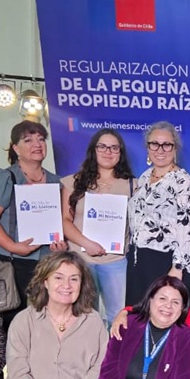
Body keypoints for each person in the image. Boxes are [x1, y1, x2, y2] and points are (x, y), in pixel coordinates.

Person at [0, 121, 67, 327]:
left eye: (41, 139)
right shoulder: (6, 177)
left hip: (46, 263)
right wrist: (13, 246)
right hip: (12, 262)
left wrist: (60, 247)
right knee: (13, 322)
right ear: (16, 148)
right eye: (28, 140)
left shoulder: (56, 181)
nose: (37, 144)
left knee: (43, 321)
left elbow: (62, 222)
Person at [61, 129, 136, 325]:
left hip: (116, 261)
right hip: (81, 259)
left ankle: (113, 347)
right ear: (93, 150)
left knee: (118, 317)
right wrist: (87, 243)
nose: (108, 152)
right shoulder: (74, 182)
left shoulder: (133, 185)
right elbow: (65, 221)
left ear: (120, 153)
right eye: (102, 146)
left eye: (114, 148)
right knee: (83, 316)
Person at [125, 121, 190, 303]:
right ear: (147, 147)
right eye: (154, 144)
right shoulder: (144, 177)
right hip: (139, 261)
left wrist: (177, 268)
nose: (160, 150)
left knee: (166, 313)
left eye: (166, 144)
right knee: (139, 314)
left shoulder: (183, 182)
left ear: (175, 149)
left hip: (167, 262)